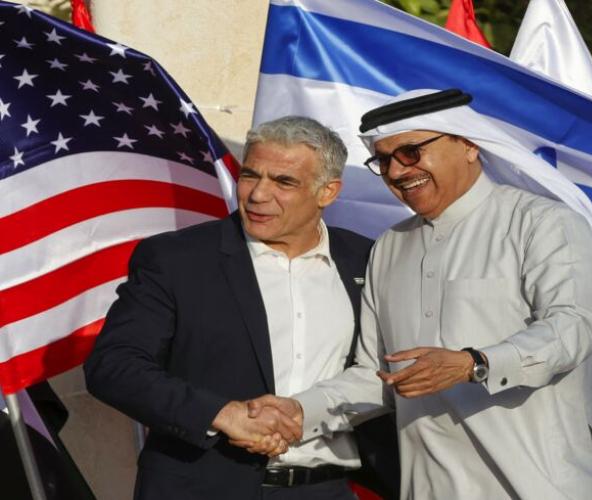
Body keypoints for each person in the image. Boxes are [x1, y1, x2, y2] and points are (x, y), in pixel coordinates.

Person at [250, 89, 592, 499]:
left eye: (411, 152)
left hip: (539, 487)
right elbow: (377, 376)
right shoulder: (389, 246)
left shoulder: (542, 223)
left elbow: (573, 327)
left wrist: (475, 364)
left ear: (469, 145)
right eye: (383, 161)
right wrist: (299, 410)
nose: (397, 171)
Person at [84, 116, 398, 500]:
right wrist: (221, 414)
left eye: (283, 182)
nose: (258, 194)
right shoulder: (177, 259)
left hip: (328, 489)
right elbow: (114, 365)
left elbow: (388, 370)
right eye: (250, 175)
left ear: (327, 192)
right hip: (200, 489)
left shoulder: (368, 259)